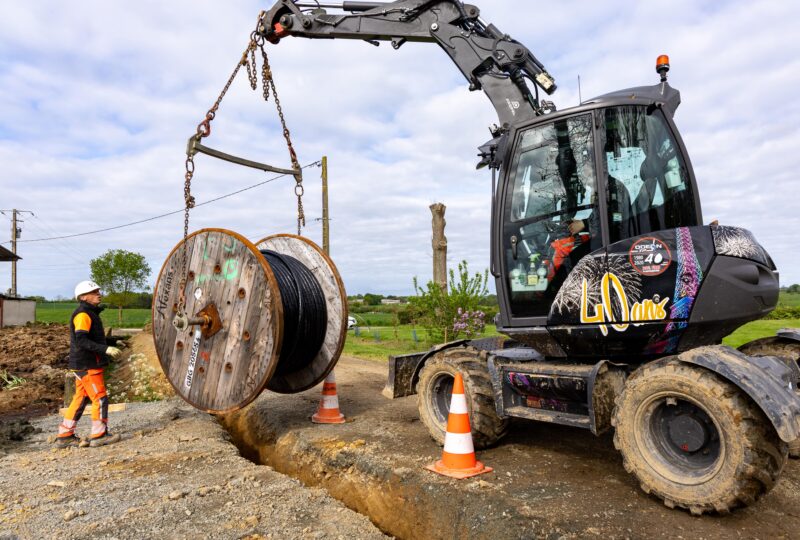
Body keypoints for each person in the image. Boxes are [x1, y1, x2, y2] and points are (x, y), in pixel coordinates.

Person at [54, 280, 123, 448]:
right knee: (99, 398)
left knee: (81, 398)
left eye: (98, 291)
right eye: (94, 292)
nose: (98, 294)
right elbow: (81, 340)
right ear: (83, 297)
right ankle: (99, 435)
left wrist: (110, 344)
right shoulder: (83, 315)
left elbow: (90, 339)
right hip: (87, 364)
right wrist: (105, 349)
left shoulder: (90, 313)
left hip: (84, 363)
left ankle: (65, 435)